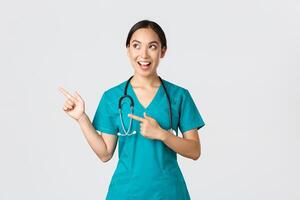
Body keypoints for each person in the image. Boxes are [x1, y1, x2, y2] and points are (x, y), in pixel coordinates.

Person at [59, 19, 205, 200]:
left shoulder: (179, 96)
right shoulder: (112, 97)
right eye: (136, 46)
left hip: (169, 193)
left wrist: (162, 134)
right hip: (125, 193)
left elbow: (194, 151)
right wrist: (81, 118)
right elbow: (105, 153)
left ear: (163, 51)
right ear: (128, 50)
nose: (143, 54)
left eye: (152, 46)